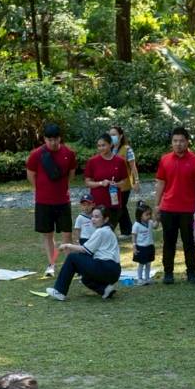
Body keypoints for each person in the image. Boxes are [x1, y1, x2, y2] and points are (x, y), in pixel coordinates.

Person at [152, 127, 195, 286]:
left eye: (181, 141)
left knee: (189, 242)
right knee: (169, 242)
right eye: (175, 141)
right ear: (171, 142)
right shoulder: (165, 159)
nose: (178, 144)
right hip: (168, 208)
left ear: (187, 141)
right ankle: (168, 273)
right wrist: (157, 205)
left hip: (189, 209)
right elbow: (161, 183)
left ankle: (191, 272)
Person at [28, 123, 80, 276]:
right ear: (44, 139)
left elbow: (71, 173)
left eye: (55, 139)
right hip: (43, 201)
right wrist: (40, 189)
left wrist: (63, 187)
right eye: (49, 139)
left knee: (66, 234)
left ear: (60, 138)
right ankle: (51, 264)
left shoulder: (69, 153)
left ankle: (71, 265)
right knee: (47, 234)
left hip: (63, 200)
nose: (53, 142)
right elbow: (31, 174)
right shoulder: (36, 154)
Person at [41, 204, 122, 301]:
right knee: (85, 278)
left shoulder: (101, 232)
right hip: (114, 271)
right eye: (92, 216)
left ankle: (60, 291)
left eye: (97, 217)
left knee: (72, 258)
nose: (93, 219)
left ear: (105, 219)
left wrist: (67, 245)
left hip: (106, 268)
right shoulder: (108, 231)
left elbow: (84, 249)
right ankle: (105, 290)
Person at [130, 203, 156, 286]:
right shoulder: (136, 225)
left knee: (148, 263)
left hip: (150, 246)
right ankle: (140, 279)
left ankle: (147, 278)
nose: (149, 216)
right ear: (140, 216)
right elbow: (134, 235)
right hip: (141, 247)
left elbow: (155, 226)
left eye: (150, 214)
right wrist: (134, 246)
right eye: (147, 214)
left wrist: (158, 220)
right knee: (141, 263)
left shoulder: (150, 222)